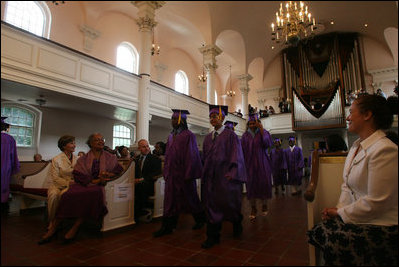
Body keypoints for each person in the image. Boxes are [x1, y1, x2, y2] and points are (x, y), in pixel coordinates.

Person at [307, 94, 398, 266]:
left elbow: (378, 202)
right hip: (363, 216)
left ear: (367, 115)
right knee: (320, 230)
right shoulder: (356, 146)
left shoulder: (385, 149)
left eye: (351, 112)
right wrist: (339, 209)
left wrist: (341, 214)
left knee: (331, 238)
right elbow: (347, 186)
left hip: (382, 223)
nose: (347, 117)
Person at [54, 133, 124, 243]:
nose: (101, 142)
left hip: (100, 186)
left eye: (102, 139)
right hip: (86, 184)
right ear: (90, 143)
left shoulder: (110, 157)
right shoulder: (84, 158)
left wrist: (108, 175)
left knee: (91, 194)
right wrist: (92, 181)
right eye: (97, 140)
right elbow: (79, 175)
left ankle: (76, 226)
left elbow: (118, 170)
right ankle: (54, 226)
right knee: (68, 194)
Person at [153, 109, 205, 237]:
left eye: (175, 119)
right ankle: (168, 226)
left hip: (184, 174)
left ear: (182, 120)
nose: (173, 121)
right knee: (170, 200)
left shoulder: (189, 135)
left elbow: (192, 155)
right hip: (172, 174)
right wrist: (166, 171)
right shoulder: (170, 136)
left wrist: (189, 173)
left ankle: (200, 219)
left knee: (191, 198)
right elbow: (168, 155)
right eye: (172, 119)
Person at [201, 105, 247, 249]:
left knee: (229, 204)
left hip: (226, 177)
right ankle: (212, 236)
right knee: (211, 206)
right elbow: (205, 158)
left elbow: (236, 155)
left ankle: (237, 222)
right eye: (211, 117)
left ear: (222, 117)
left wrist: (232, 173)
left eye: (215, 116)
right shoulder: (208, 138)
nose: (212, 119)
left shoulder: (230, 135)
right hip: (211, 178)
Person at [38, 135, 78, 245]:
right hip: (57, 184)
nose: (74, 145)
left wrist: (73, 183)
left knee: (63, 195)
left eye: (74, 143)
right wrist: (68, 183)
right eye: (71, 143)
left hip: (72, 186)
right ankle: (52, 221)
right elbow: (55, 178)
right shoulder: (56, 159)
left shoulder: (77, 158)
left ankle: (59, 222)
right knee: (53, 195)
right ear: (64, 146)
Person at [241, 113, 273, 220]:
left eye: (254, 123)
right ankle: (253, 208)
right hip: (249, 163)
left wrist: (262, 130)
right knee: (251, 186)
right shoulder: (245, 136)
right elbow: (242, 151)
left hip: (262, 162)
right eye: (250, 123)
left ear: (258, 123)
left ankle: (264, 205)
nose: (252, 125)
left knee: (263, 183)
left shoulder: (264, 133)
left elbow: (268, 144)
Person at [134, 139, 162, 222]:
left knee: (140, 186)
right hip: (137, 182)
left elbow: (156, 173)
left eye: (147, 146)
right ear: (139, 148)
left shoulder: (155, 159)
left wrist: (141, 179)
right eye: (143, 147)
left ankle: (136, 214)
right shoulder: (136, 159)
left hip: (150, 183)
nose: (146, 148)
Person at [1, 117, 20, 214]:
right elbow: (13, 155)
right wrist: (15, 167)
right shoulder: (10, 139)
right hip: (4, 167)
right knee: (3, 186)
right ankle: (3, 207)